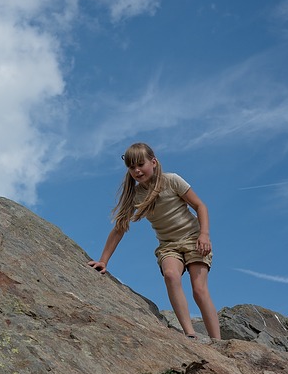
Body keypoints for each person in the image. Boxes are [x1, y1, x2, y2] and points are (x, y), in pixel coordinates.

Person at [88, 142, 221, 340]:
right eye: (132, 167)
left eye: (140, 164)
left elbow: (200, 206)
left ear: (154, 162)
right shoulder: (135, 195)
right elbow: (119, 229)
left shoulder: (172, 180)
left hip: (194, 239)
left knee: (199, 290)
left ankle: (217, 341)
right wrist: (103, 261)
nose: (137, 170)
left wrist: (204, 235)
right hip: (169, 245)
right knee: (170, 275)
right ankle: (190, 334)